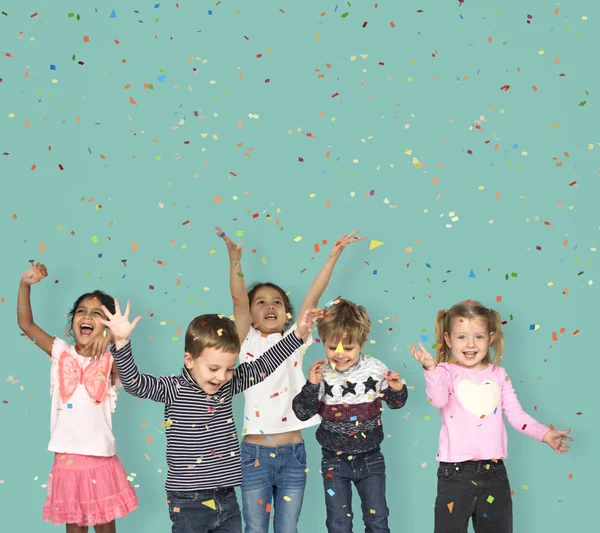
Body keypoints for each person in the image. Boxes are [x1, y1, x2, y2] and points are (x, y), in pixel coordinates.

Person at [100, 299, 322, 533]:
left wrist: (297, 333)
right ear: (190, 360)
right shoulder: (173, 389)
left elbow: (264, 363)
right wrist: (121, 341)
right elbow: (135, 385)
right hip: (188, 502)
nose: (222, 377)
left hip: (227, 497)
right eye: (214, 369)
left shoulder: (229, 384)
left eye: (229, 368)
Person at [216, 227, 364, 533]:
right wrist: (235, 261)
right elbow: (238, 304)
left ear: (287, 315)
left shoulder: (295, 339)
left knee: (288, 529)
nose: (270, 305)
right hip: (254, 455)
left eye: (277, 303)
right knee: (255, 529)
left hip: (293, 454)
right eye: (261, 302)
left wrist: (334, 254)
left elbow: (314, 296)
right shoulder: (246, 342)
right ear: (252, 318)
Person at [410, 299, 573, 533]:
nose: (470, 344)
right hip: (454, 476)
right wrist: (430, 369)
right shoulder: (444, 372)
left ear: (491, 338)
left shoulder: (499, 375)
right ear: (447, 339)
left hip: (494, 475)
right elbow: (438, 400)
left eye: (478, 336)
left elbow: (516, 414)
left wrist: (545, 434)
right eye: (461, 336)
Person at [17, 262, 137, 533]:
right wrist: (24, 285)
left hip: (101, 459)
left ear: (108, 325)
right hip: (67, 460)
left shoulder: (112, 358)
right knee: (75, 527)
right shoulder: (60, 352)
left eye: (97, 314)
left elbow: (129, 370)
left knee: (105, 526)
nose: (87, 316)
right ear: (72, 320)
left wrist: (113, 339)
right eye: (81, 311)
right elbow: (25, 324)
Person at [293, 298, 407, 533]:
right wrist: (312, 385)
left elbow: (396, 404)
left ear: (362, 342)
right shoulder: (321, 373)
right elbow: (303, 413)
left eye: (349, 347)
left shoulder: (375, 368)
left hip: (371, 459)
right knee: (338, 523)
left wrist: (397, 389)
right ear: (323, 342)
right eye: (333, 347)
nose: (340, 354)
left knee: (377, 520)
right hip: (334, 461)